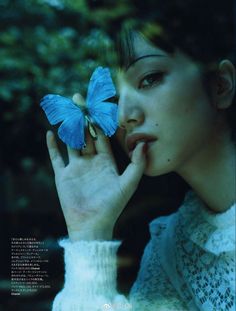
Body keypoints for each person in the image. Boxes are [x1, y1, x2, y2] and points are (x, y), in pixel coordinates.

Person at [46, 1, 235, 310]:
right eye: (114, 99)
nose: (123, 116)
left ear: (221, 85)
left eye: (149, 78)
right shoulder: (168, 253)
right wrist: (89, 234)